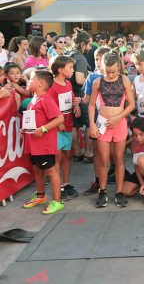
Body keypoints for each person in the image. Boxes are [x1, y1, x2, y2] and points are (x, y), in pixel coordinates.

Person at [89, 52, 135, 208]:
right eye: (107, 71)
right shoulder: (97, 82)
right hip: (102, 124)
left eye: (113, 71)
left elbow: (131, 105)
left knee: (119, 158)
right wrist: (92, 125)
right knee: (103, 159)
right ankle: (102, 191)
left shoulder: (124, 80)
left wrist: (118, 118)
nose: (109, 75)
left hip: (119, 124)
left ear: (119, 67)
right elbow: (90, 105)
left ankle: (119, 191)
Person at [21, 70, 65, 215]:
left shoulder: (45, 99)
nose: (28, 81)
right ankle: (40, 196)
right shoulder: (33, 99)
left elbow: (59, 118)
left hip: (44, 146)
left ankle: (58, 201)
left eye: (31, 79)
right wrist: (25, 129)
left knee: (51, 171)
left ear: (40, 83)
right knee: (37, 170)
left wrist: (44, 129)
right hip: (33, 145)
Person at [48, 56, 81, 201]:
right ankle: (58, 185)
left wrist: (76, 105)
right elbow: (49, 106)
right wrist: (57, 121)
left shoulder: (68, 84)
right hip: (57, 127)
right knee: (58, 157)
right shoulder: (51, 86)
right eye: (70, 68)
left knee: (67, 155)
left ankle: (66, 183)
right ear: (60, 70)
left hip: (68, 125)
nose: (73, 70)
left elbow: (71, 99)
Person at [81, 46, 111, 195]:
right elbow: (86, 100)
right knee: (98, 153)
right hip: (97, 122)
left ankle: (117, 178)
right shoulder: (92, 77)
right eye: (96, 59)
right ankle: (98, 180)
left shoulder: (119, 76)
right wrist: (77, 101)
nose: (98, 62)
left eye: (101, 59)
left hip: (114, 121)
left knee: (115, 154)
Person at [68, 28, 92, 162]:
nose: (90, 47)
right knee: (89, 124)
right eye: (89, 44)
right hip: (80, 94)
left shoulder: (70, 53)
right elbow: (79, 79)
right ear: (83, 43)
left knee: (74, 125)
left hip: (69, 94)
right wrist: (92, 82)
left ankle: (77, 153)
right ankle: (88, 154)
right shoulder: (80, 57)